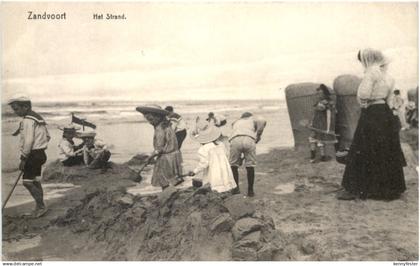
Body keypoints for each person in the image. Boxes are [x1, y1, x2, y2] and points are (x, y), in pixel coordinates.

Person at [337, 48, 406, 201]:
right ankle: (389, 189)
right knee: (385, 149)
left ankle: (357, 188)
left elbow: (363, 94)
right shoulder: (387, 75)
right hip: (384, 113)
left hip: (372, 112)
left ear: (366, 59)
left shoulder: (371, 72)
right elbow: (389, 98)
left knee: (362, 148)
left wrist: (363, 105)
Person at [8, 94, 50, 218]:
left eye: (16, 109)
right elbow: (48, 136)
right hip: (40, 153)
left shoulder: (27, 120)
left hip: (33, 155)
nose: (15, 112)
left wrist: (23, 158)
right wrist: (41, 145)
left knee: (27, 182)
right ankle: (40, 207)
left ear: (25, 107)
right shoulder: (37, 118)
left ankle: (41, 206)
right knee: (35, 181)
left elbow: (28, 141)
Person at [136, 104, 184, 190]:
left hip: (166, 158)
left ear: (157, 117)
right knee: (172, 179)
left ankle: (166, 195)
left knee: (163, 180)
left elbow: (159, 148)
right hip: (174, 155)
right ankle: (171, 193)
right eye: (148, 120)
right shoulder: (167, 125)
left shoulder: (159, 129)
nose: (150, 122)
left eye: (151, 119)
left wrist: (150, 157)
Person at [187, 120, 237, 193]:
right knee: (225, 181)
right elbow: (226, 154)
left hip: (213, 170)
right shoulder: (220, 144)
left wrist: (195, 171)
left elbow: (204, 163)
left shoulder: (203, 149)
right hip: (223, 167)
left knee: (214, 184)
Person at [229, 112, 266, 197]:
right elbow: (262, 120)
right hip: (249, 139)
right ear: (250, 117)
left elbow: (235, 130)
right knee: (250, 166)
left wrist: (240, 158)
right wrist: (258, 136)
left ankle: (235, 189)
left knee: (233, 166)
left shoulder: (236, 122)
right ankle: (250, 191)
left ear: (241, 117)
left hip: (235, 139)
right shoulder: (253, 119)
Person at [309, 84, 337, 163]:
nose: (319, 95)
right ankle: (313, 157)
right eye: (318, 93)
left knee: (319, 140)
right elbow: (316, 113)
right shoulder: (320, 102)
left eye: (321, 93)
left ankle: (321, 157)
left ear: (325, 93)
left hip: (321, 124)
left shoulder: (327, 102)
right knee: (313, 140)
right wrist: (312, 122)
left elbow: (329, 114)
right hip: (316, 123)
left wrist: (328, 128)